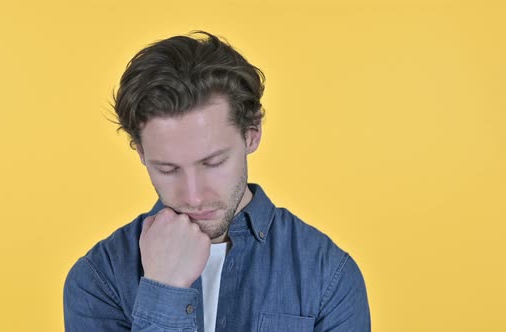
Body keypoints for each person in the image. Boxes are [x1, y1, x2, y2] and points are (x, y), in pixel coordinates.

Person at [63, 31, 370, 331]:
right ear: (141, 153)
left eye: (212, 163)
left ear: (252, 134)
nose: (194, 196)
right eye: (168, 169)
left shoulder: (328, 275)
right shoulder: (98, 278)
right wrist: (164, 289)